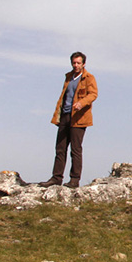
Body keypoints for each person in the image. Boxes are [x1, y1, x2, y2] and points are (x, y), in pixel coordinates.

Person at [39, 51, 97, 188]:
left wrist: (81, 103)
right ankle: (56, 178)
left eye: (78, 63)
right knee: (60, 148)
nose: (76, 65)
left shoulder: (89, 77)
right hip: (65, 115)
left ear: (84, 64)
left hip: (79, 118)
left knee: (75, 150)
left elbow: (93, 94)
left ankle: (74, 180)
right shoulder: (69, 77)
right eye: (74, 63)